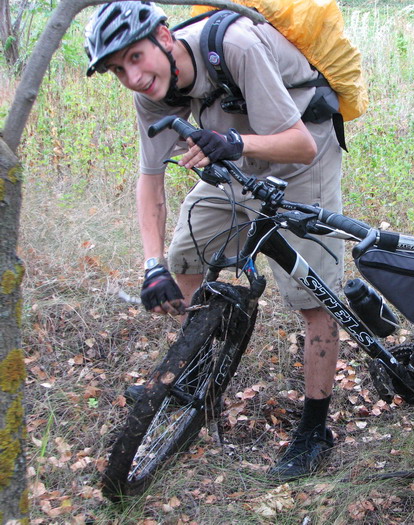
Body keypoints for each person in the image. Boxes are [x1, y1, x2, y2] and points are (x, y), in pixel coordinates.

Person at [84, 1, 344, 481]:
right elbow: (150, 180)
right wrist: (151, 265)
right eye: (118, 70)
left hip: (301, 152)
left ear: (164, 37)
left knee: (314, 296)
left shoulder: (236, 46)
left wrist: (235, 143)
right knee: (186, 254)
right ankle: (197, 374)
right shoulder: (152, 92)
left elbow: (300, 144)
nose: (133, 77)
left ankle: (314, 430)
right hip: (232, 152)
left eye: (136, 57)